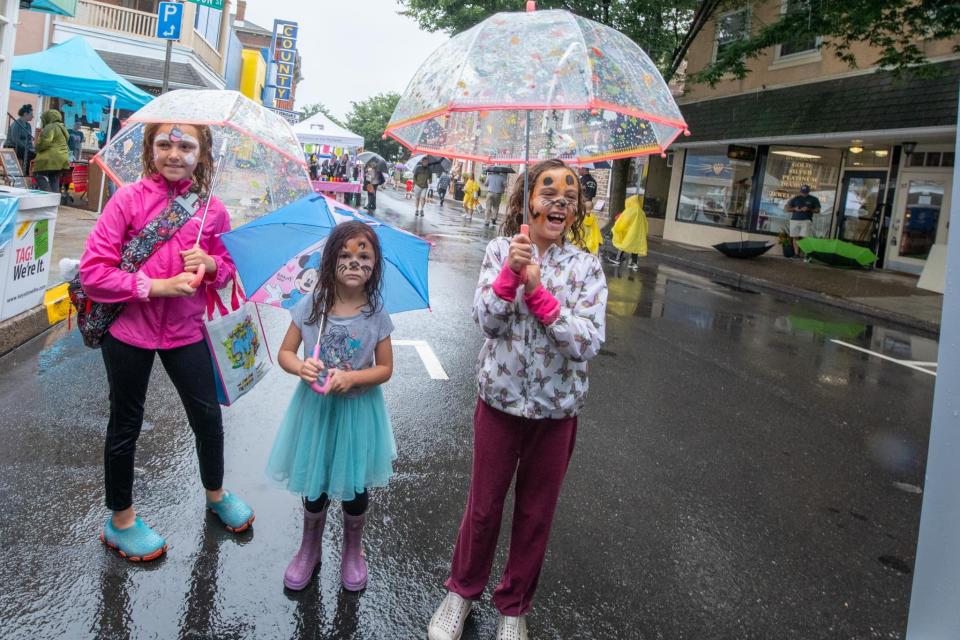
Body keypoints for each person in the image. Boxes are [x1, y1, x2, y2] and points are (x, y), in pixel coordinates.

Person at [427, 158, 608, 640]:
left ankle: (514, 605)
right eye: (548, 189)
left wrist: (543, 297)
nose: (560, 199)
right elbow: (486, 322)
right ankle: (460, 593)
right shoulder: (499, 251)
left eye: (569, 193)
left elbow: (588, 342)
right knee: (483, 506)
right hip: (499, 404)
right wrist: (511, 275)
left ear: (576, 211)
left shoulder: (586, 267)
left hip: (557, 411)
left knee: (535, 513)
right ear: (527, 200)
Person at [79, 122, 255, 562]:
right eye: (164, 144)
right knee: (126, 424)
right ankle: (120, 521)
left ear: (203, 153)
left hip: (185, 331)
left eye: (186, 145)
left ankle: (216, 494)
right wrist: (155, 287)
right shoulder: (127, 200)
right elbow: (94, 274)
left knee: (207, 418)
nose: (174, 153)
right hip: (128, 333)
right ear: (149, 150)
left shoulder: (212, 212)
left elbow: (230, 268)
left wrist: (211, 263)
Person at [266, 220, 396, 592]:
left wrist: (353, 378)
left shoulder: (376, 315)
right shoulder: (312, 306)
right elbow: (286, 354)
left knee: (354, 487)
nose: (354, 263)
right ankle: (310, 546)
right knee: (315, 477)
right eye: (345, 255)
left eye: (364, 256)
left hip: (357, 413)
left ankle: (353, 549)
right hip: (316, 412)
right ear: (329, 262)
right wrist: (301, 367)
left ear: (375, 265)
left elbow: (385, 369)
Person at [33, 109, 71, 195]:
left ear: (48, 117)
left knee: (38, 175)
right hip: (62, 159)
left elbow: (45, 142)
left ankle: (48, 197)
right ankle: (54, 202)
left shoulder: (50, 127)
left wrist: (36, 148)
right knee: (54, 178)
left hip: (51, 158)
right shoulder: (62, 128)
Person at [607, 194, 648, 270]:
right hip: (638, 234)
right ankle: (634, 263)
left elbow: (624, 220)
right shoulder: (642, 212)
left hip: (630, 233)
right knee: (635, 247)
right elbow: (645, 223)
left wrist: (617, 228)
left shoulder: (630, 211)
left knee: (623, 244)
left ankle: (618, 259)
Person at [785, 184, 821, 257]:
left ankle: (805, 255)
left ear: (808, 191)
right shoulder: (795, 198)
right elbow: (787, 208)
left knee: (805, 238)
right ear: (800, 191)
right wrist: (795, 209)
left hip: (806, 220)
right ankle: (796, 254)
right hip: (794, 220)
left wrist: (809, 209)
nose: (804, 194)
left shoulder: (814, 199)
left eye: (805, 192)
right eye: (802, 192)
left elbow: (818, 210)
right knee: (795, 237)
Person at [5, 105, 36, 175]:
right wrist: (26, 147)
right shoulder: (16, 123)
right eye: (31, 114)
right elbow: (15, 139)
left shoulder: (28, 125)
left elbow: (29, 140)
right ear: (25, 114)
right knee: (29, 154)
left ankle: (29, 174)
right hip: (12, 146)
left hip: (23, 147)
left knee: (34, 153)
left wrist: (31, 148)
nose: (32, 116)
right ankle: (26, 174)